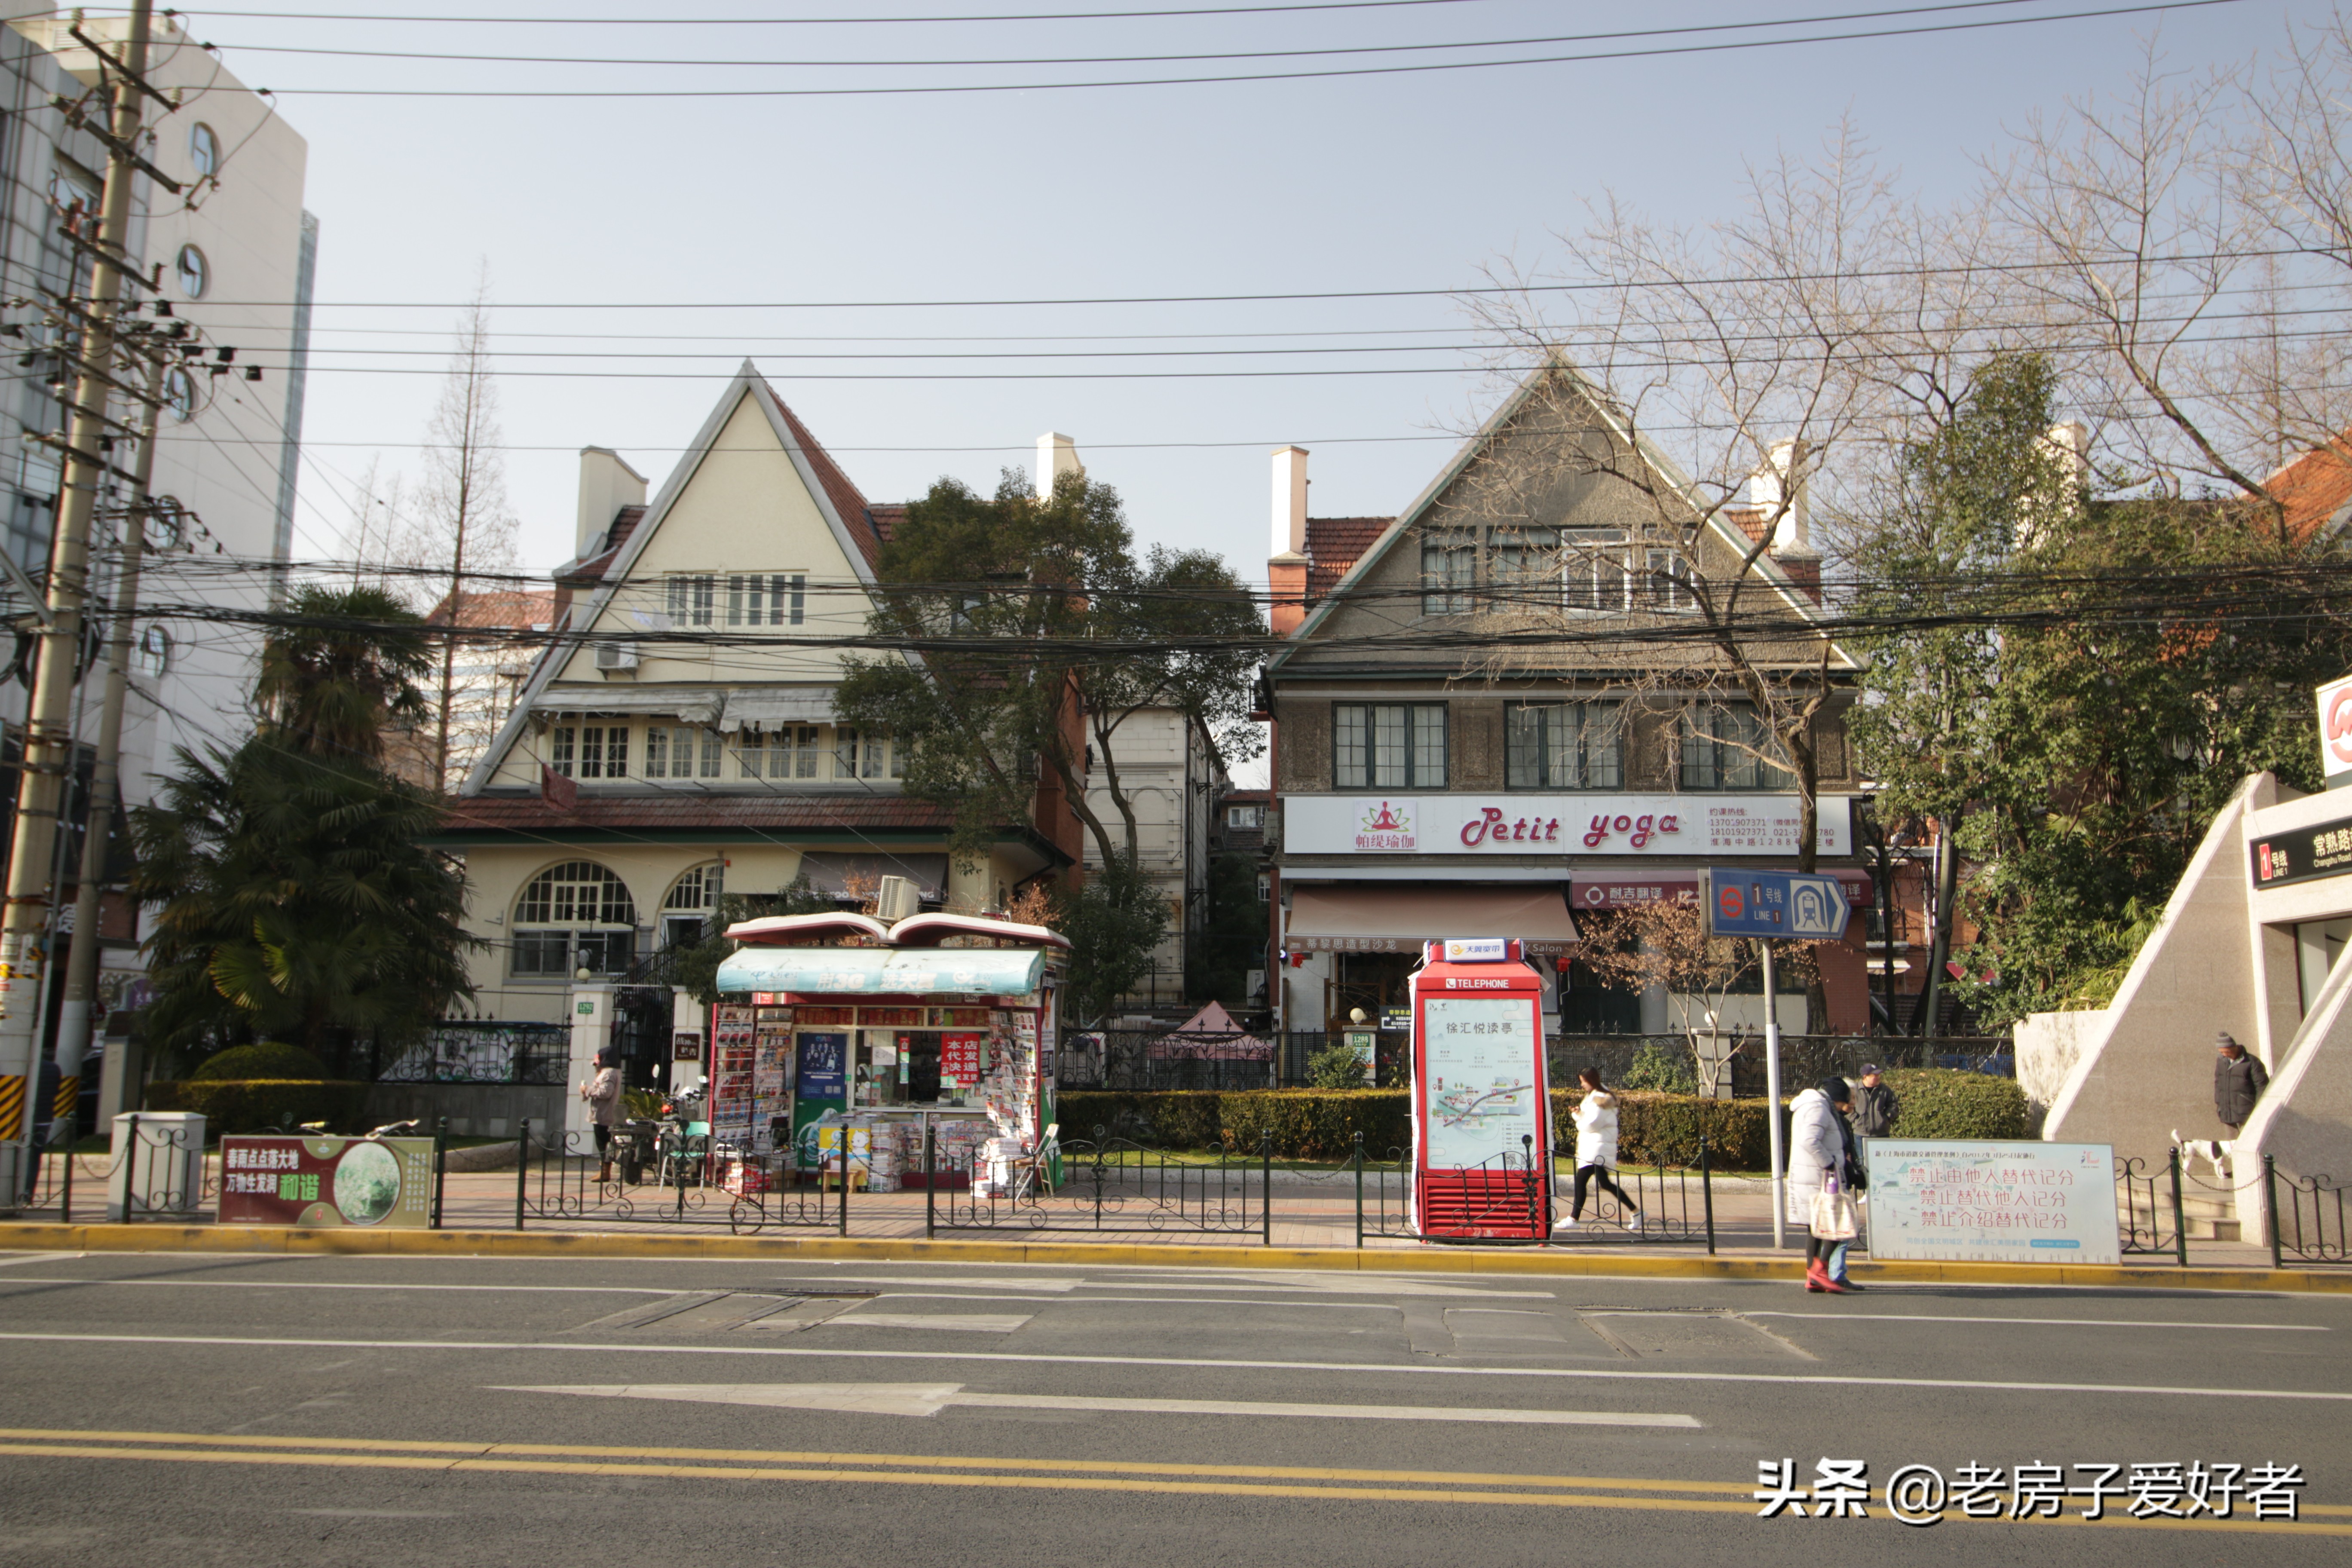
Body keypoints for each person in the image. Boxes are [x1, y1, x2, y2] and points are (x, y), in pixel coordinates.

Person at [1788, 1075, 1854, 1294]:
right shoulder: (1820, 1109)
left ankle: (1813, 1276)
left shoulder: (1812, 1105)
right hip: (1820, 1177)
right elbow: (1810, 1140)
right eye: (1844, 1100)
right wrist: (1830, 1164)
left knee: (1815, 1228)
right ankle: (1820, 1271)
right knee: (1840, 1223)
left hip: (1811, 1176)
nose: (1845, 1106)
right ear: (1836, 1098)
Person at [1564, 1067, 1642, 1233]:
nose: (1582, 1085)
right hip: (1595, 1145)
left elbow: (1592, 1124)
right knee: (1605, 1183)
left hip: (1597, 1147)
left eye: (1584, 1081)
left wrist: (1577, 1118)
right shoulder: (1595, 1096)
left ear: (1591, 1081)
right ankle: (1636, 1212)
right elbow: (1590, 1119)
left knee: (1581, 1180)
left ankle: (1574, 1218)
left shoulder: (1600, 1099)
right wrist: (1580, 1113)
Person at [582, 1049, 624, 1181]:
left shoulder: (609, 1073)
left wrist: (587, 1089)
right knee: (603, 1143)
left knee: (603, 1143)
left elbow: (606, 1092)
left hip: (603, 1113)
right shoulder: (612, 1072)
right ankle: (603, 1170)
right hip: (603, 1112)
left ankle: (605, 1172)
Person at [2214, 1032, 2268, 1134]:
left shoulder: (2252, 1062)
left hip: (2247, 1113)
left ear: (2234, 1047)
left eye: (2227, 1051)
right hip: (2227, 1114)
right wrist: (2219, 1104)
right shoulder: (2221, 1061)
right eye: (2222, 1052)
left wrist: (2259, 1110)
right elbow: (2218, 1083)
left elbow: (2262, 1087)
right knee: (2232, 1148)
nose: (2225, 1055)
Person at [1851, 1064, 1899, 1141]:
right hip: (1861, 1135)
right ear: (1865, 1077)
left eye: (1879, 1075)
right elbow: (1846, 1105)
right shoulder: (1854, 1090)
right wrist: (1855, 1119)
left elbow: (1893, 1104)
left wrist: (1886, 1118)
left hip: (1882, 1134)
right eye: (1875, 1075)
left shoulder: (1885, 1090)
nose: (1878, 1077)